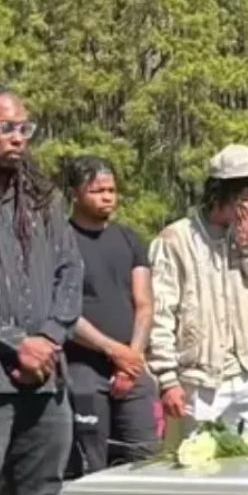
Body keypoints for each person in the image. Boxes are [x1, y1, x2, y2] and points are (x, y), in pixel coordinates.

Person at [0, 84, 82, 495]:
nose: (17, 137)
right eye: (4, 127)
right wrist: (14, 342)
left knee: (44, 485)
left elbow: (70, 270)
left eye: (24, 127)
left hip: (47, 372)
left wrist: (47, 336)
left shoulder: (43, 198)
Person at [148, 144, 248, 437]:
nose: (247, 207)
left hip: (247, 375)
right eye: (241, 198)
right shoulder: (175, 239)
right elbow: (160, 313)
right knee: (200, 457)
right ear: (219, 193)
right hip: (199, 379)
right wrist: (167, 379)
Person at [63, 156, 157, 474]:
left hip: (131, 368)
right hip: (82, 368)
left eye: (112, 190)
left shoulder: (129, 239)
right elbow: (64, 310)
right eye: (97, 191)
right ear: (75, 193)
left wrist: (132, 358)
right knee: (90, 464)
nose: (107, 197)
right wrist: (112, 350)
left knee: (145, 459)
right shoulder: (59, 241)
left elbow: (144, 303)